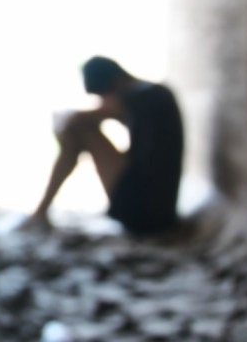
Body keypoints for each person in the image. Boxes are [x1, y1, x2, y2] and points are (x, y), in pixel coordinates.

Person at [20, 56, 185, 236]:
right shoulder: (151, 94)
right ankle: (41, 213)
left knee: (81, 131)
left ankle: (40, 212)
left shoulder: (145, 95)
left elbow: (74, 120)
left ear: (115, 83)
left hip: (146, 212)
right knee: (80, 130)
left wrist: (64, 129)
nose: (102, 101)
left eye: (102, 95)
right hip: (156, 209)